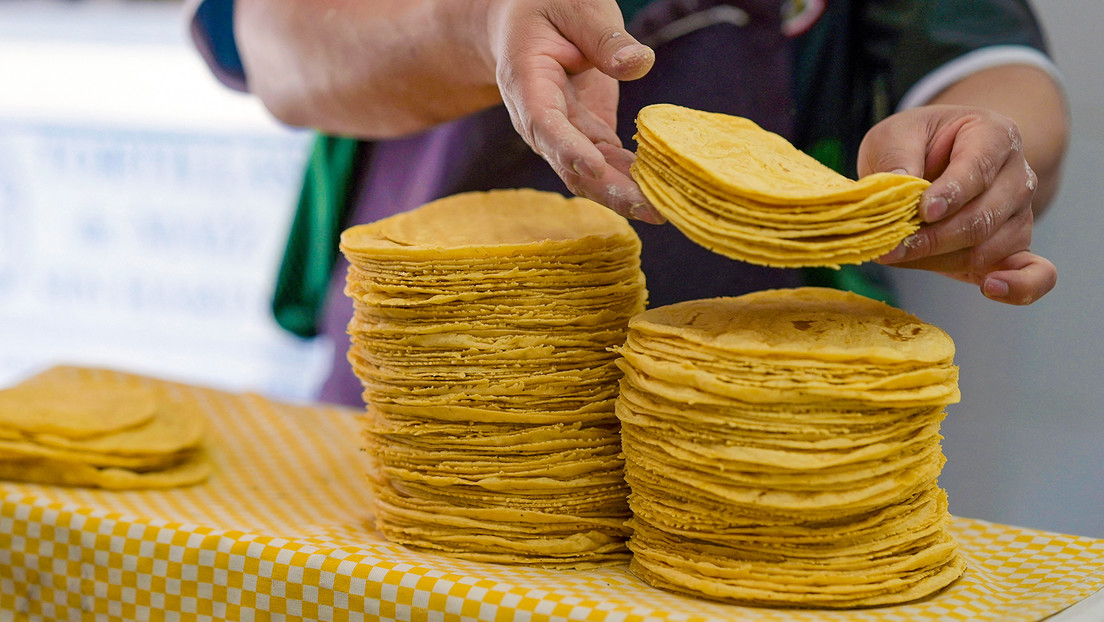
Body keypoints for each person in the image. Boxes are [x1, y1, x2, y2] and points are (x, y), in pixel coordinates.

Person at [188, 0, 1068, 406]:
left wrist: (980, 156)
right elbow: (273, 43)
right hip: (432, 403)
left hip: (768, 425)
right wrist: (476, 31)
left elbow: (989, 60)